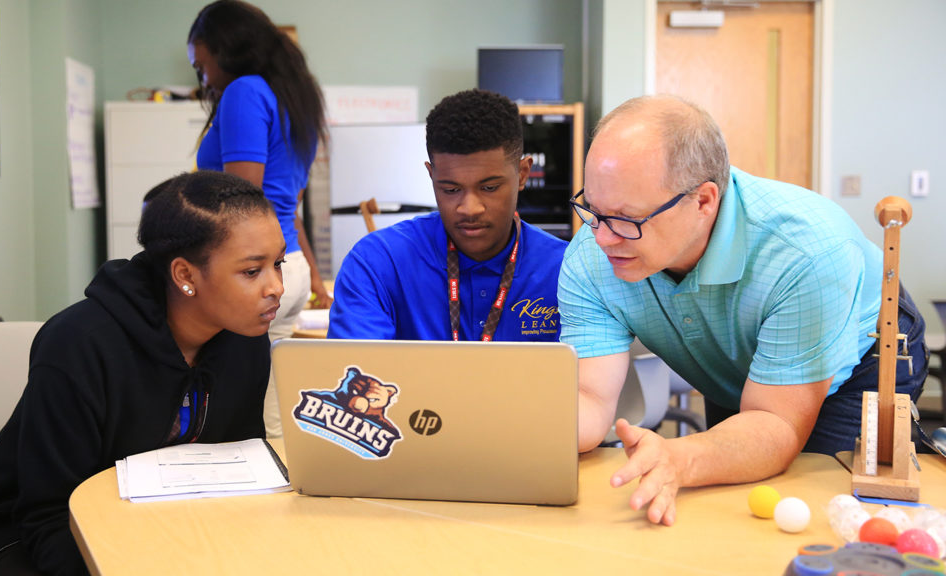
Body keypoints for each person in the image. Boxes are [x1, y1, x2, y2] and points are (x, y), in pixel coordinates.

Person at [560, 95, 927, 526]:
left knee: (816, 507)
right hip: (738, 366)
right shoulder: (591, 254)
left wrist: (683, 457)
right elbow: (590, 397)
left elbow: (774, 422)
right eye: (593, 211)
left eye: (626, 218)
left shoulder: (807, 252)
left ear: (703, 201)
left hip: (862, 357)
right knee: (727, 502)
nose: (601, 238)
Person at [0, 171, 284, 575]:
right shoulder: (79, 344)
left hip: (154, 524)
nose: (275, 286)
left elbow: (238, 471)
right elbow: (47, 512)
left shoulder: (244, 337)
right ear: (185, 275)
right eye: (252, 271)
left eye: (279, 263)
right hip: (24, 535)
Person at [187, 0, 328, 436]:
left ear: (224, 49)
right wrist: (316, 281)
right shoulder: (292, 96)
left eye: (202, 65)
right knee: (274, 416)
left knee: (241, 418)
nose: (203, 79)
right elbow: (288, 207)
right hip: (288, 270)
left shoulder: (245, 91)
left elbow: (242, 203)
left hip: (254, 271)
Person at [328, 89, 567, 342]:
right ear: (431, 176)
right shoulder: (378, 263)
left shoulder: (566, 270)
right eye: (451, 190)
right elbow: (357, 372)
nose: (470, 208)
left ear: (522, 174)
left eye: (489, 188)